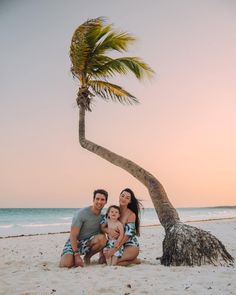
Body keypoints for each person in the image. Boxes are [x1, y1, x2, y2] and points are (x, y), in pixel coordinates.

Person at [59, 189, 108, 268]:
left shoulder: (103, 217)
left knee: (102, 238)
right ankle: (70, 256)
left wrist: (102, 254)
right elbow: (73, 235)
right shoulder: (81, 213)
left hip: (88, 243)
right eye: (97, 199)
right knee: (66, 264)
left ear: (105, 202)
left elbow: (103, 233)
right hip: (75, 242)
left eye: (102, 200)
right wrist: (77, 255)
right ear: (93, 199)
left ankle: (87, 257)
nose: (99, 202)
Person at [102, 188, 142, 266]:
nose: (124, 199)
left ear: (130, 201)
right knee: (103, 260)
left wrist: (114, 249)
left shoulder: (131, 214)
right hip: (113, 243)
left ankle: (134, 260)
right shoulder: (113, 210)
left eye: (127, 198)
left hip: (129, 245)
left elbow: (128, 235)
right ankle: (130, 259)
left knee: (115, 262)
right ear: (119, 196)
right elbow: (102, 226)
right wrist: (108, 230)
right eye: (122, 196)